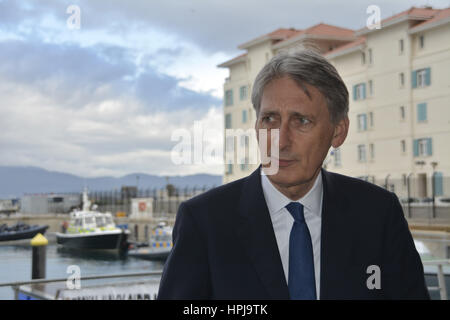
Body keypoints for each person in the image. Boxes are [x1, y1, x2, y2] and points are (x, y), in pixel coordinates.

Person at [157, 50, 429, 300]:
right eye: (270, 120)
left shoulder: (378, 213)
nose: (280, 141)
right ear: (256, 126)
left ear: (338, 131)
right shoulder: (205, 222)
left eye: (302, 121)